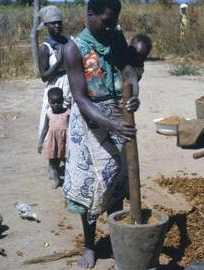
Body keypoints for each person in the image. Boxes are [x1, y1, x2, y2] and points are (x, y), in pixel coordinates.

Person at [62, 0, 140, 268]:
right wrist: (112, 123)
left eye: (114, 22)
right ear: (90, 14)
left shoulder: (116, 37)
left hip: (118, 116)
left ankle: (117, 239)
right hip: (90, 124)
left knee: (117, 184)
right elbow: (81, 100)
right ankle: (89, 245)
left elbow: (128, 67)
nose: (111, 27)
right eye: (106, 21)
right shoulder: (74, 48)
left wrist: (134, 91)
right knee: (92, 188)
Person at [37, 5, 72, 139]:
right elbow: (44, 77)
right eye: (53, 23)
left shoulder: (69, 41)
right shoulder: (45, 48)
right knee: (52, 120)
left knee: (69, 119)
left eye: (59, 22)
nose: (57, 25)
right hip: (55, 88)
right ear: (46, 25)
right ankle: (50, 150)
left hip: (71, 83)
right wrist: (58, 62)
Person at [38, 87, 70, 189]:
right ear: (49, 101)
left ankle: (70, 179)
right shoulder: (49, 114)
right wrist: (40, 142)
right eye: (53, 102)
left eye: (58, 102)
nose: (56, 105)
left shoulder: (68, 113)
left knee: (68, 162)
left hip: (65, 143)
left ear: (63, 100)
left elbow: (72, 128)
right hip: (53, 143)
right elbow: (44, 129)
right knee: (53, 163)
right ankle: (57, 180)